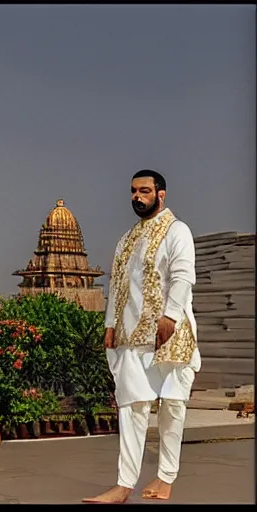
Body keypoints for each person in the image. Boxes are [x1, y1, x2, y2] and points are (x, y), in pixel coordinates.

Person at [82, 169, 201, 504]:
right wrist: (109, 325)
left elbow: (182, 276)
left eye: (145, 191)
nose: (138, 196)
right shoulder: (127, 239)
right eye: (134, 191)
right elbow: (117, 287)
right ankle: (124, 485)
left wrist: (171, 316)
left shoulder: (177, 231)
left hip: (169, 334)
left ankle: (165, 478)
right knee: (131, 407)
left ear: (160, 195)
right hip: (131, 338)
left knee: (172, 407)